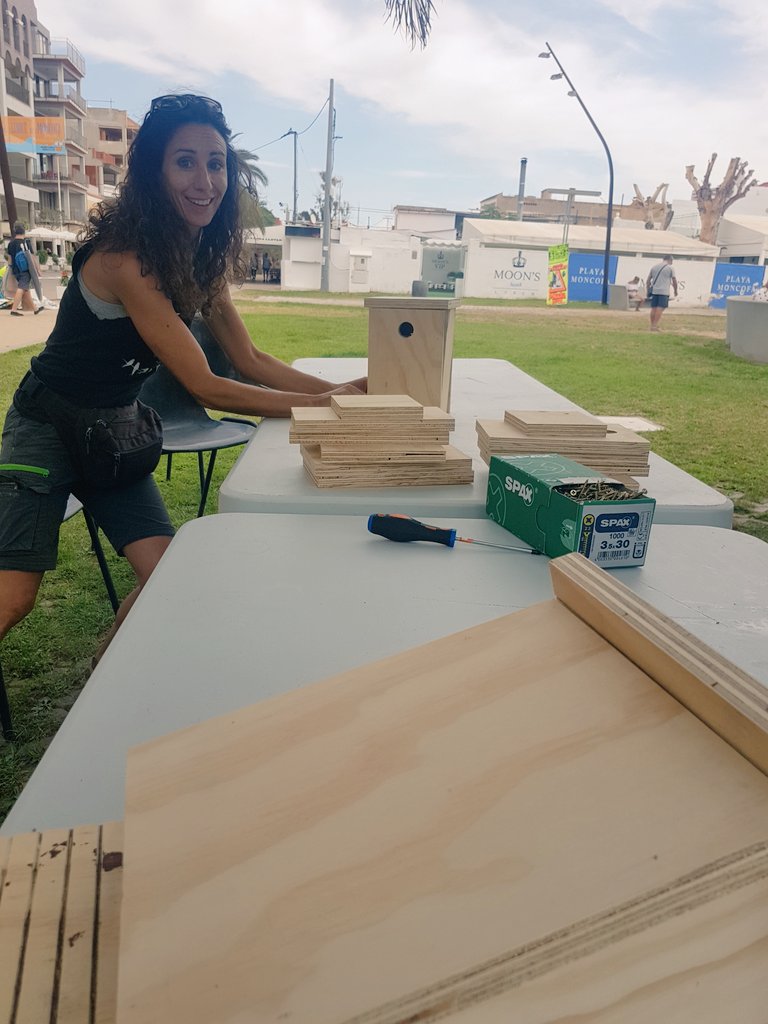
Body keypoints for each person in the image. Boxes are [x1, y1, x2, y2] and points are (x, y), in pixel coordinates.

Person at [0, 93, 366, 663]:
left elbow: (249, 359)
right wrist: (324, 406)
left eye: (216, 163)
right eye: (185, 161)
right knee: (13, 599)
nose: (205, 180)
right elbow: (206, 386)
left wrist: (334, 394)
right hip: (44, 425)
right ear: (153, 170)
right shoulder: (125, 259)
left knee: (165, 574)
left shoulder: (201, 259)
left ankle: (108, 673)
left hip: (113, 433)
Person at [7, 223, 43, 317]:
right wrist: (38, 269)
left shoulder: (10, 244)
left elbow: (10, 259)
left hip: (15, 270)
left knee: (25, 289)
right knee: (22, 288)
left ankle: (35, 309)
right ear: (24, 232)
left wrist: (10, 270)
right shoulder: (26, 243)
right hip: (25, 270)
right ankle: (14, 310)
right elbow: (32, 258)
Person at [646, 255, 678, 332]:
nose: (672, 262)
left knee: (654, 308)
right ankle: (655, 326)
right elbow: (674, 280)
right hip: (664, 291)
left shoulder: (654, 267)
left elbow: (648, 280)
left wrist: (648, 290)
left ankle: (652, 325)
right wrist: (675, 290)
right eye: (672, 260)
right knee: (660, 308)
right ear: (670, 260)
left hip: (655, 291)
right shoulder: (670, 268)